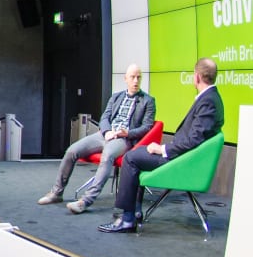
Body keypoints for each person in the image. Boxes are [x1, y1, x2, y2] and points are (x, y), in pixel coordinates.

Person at [101, 58, 224, 234]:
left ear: (196, 77)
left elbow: (193, 140)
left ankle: (127, 219)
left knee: (131, 158)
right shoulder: (211, 98)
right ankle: (134, 211)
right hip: (184, 157)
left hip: (182, 162)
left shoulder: (209, 101)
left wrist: (163, 149)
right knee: (139, 153)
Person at [37, 64, 156, 214]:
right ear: (125, 79)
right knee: (72, 151)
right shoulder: (116, 97)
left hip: (123, 139)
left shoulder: (148, 101)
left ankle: (85, 201)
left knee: (107, 156)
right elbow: (105, 117)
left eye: (139, 77)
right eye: (132, 77)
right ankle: (56, 193)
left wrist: (126, 133)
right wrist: (106, 131)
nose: (136, 80)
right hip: (105, 135)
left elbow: (146, 127)